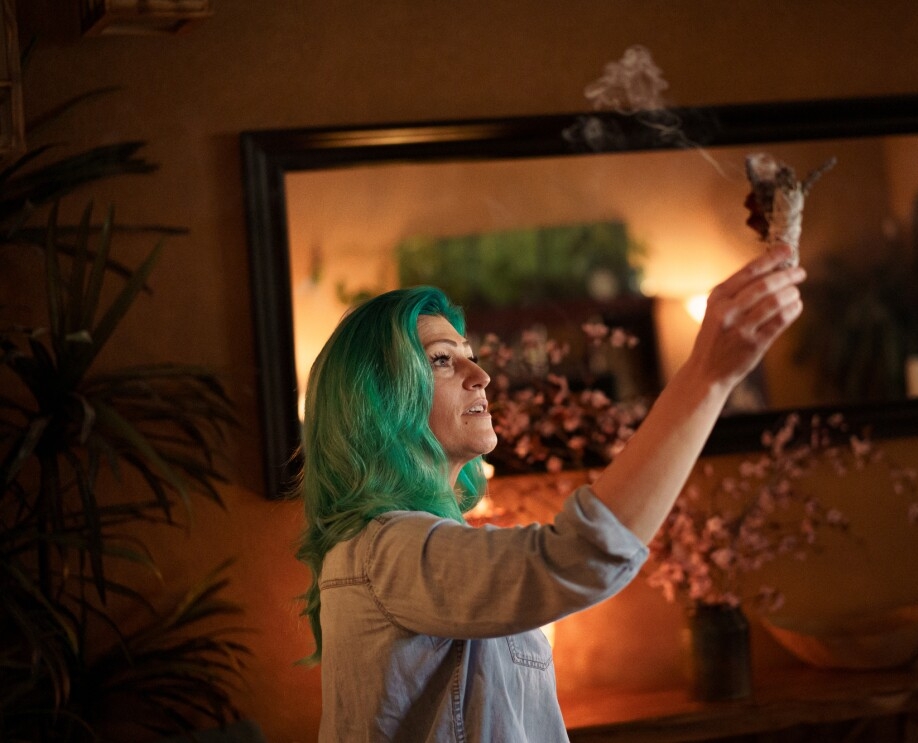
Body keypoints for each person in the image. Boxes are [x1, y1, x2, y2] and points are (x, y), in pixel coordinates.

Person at [296, 243, 805, 742]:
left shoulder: (409, 548)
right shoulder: (386, 552)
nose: (483, 376)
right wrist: (706, 377)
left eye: (470, 356)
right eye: (442, 360)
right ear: (380, 398)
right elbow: (580, 556)